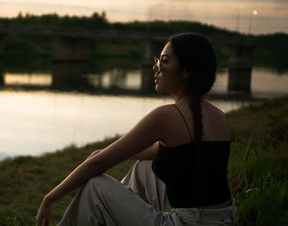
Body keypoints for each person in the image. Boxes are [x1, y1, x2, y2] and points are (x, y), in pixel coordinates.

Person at [35, 33, 237, 226]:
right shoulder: (219, 116)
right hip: (225, 219)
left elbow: (98, 165)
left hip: (188, 222)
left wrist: (50, 197)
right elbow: (145, 153)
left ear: (186, 71)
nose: (156, 67)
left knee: (96, 185)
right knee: (145, 168)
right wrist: (101, 156)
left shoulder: (166, 116)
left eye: (165, 61)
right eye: (159, 59)